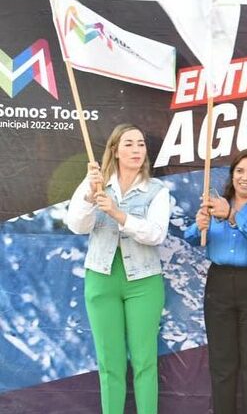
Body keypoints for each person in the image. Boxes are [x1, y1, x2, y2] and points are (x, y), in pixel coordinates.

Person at [65, 123, 170, 414]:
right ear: (114, 149)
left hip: (144, 282)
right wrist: (89, 197)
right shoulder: (95, 182)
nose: (137, 150)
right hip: (101, 279)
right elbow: (76, 225)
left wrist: (117, 213)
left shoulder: (157, 190)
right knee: (109, 363)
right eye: (129, 144)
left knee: (144, 361)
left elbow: (156, 234)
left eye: (141, 144)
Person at [184, 149, 247, 414]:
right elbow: (191, 237)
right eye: (240, 171)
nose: (245, 178)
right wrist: (198, 224)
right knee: (222, 366)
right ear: (232, 174)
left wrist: (232, 216)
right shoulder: (216, 204)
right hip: (220, 284)